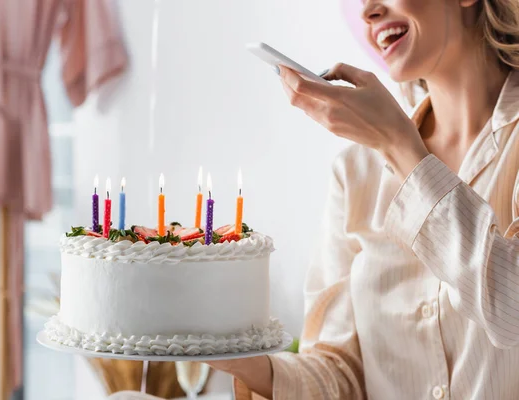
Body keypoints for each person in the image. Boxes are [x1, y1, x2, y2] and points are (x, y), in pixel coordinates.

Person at [206, 0, 519, 399]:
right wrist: (237, 359)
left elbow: (511, 311)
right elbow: (339, 375)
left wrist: (400, 146)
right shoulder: (356, 173)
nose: (368, 10)